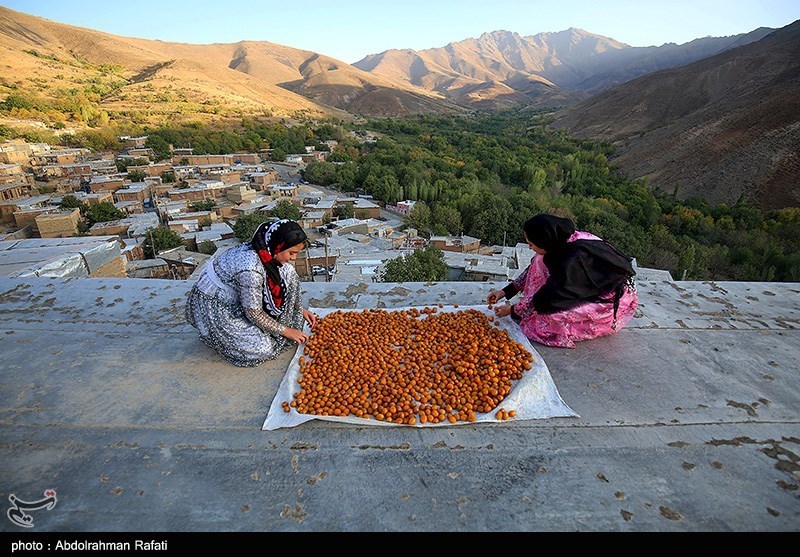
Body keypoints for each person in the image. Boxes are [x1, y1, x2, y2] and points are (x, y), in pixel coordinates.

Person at [488, 214, 638, 348]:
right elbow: (531, 270)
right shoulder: (558, 241)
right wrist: (505, 292)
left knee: (545, 319)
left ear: (544, 241)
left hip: (609, 296)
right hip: (584, 283)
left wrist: (514, 310)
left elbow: (550, 296)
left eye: (532, 244)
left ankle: (594, 321)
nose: (529, 247)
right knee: (539, 259)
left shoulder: (572, 260)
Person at [185, 219, 318, 367]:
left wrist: (297, 308)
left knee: (289, 272)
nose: (294, 258)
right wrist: (286, 331)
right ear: (277, 246)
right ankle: (215, 336)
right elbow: (253, 313)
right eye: (292, 253)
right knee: (262, 349)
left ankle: (273, 326)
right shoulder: (250, 268)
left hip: (244, 296)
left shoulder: (266, 253)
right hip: (218, 306)